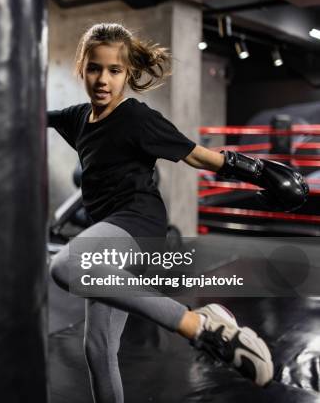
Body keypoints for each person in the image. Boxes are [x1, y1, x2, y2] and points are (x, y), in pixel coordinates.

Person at [48, 23, 308, 403]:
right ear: (82, 68)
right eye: (94, 68)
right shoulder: (78, 118)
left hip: (136, 221)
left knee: (66, 266)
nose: (103, 79)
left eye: (114, 70)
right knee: (99, 349)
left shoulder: (136, 117)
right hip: (108, 226)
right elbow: (31, 114)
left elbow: (196, 154)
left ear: (129, 73)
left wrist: (256, 171)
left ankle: (198, 325)